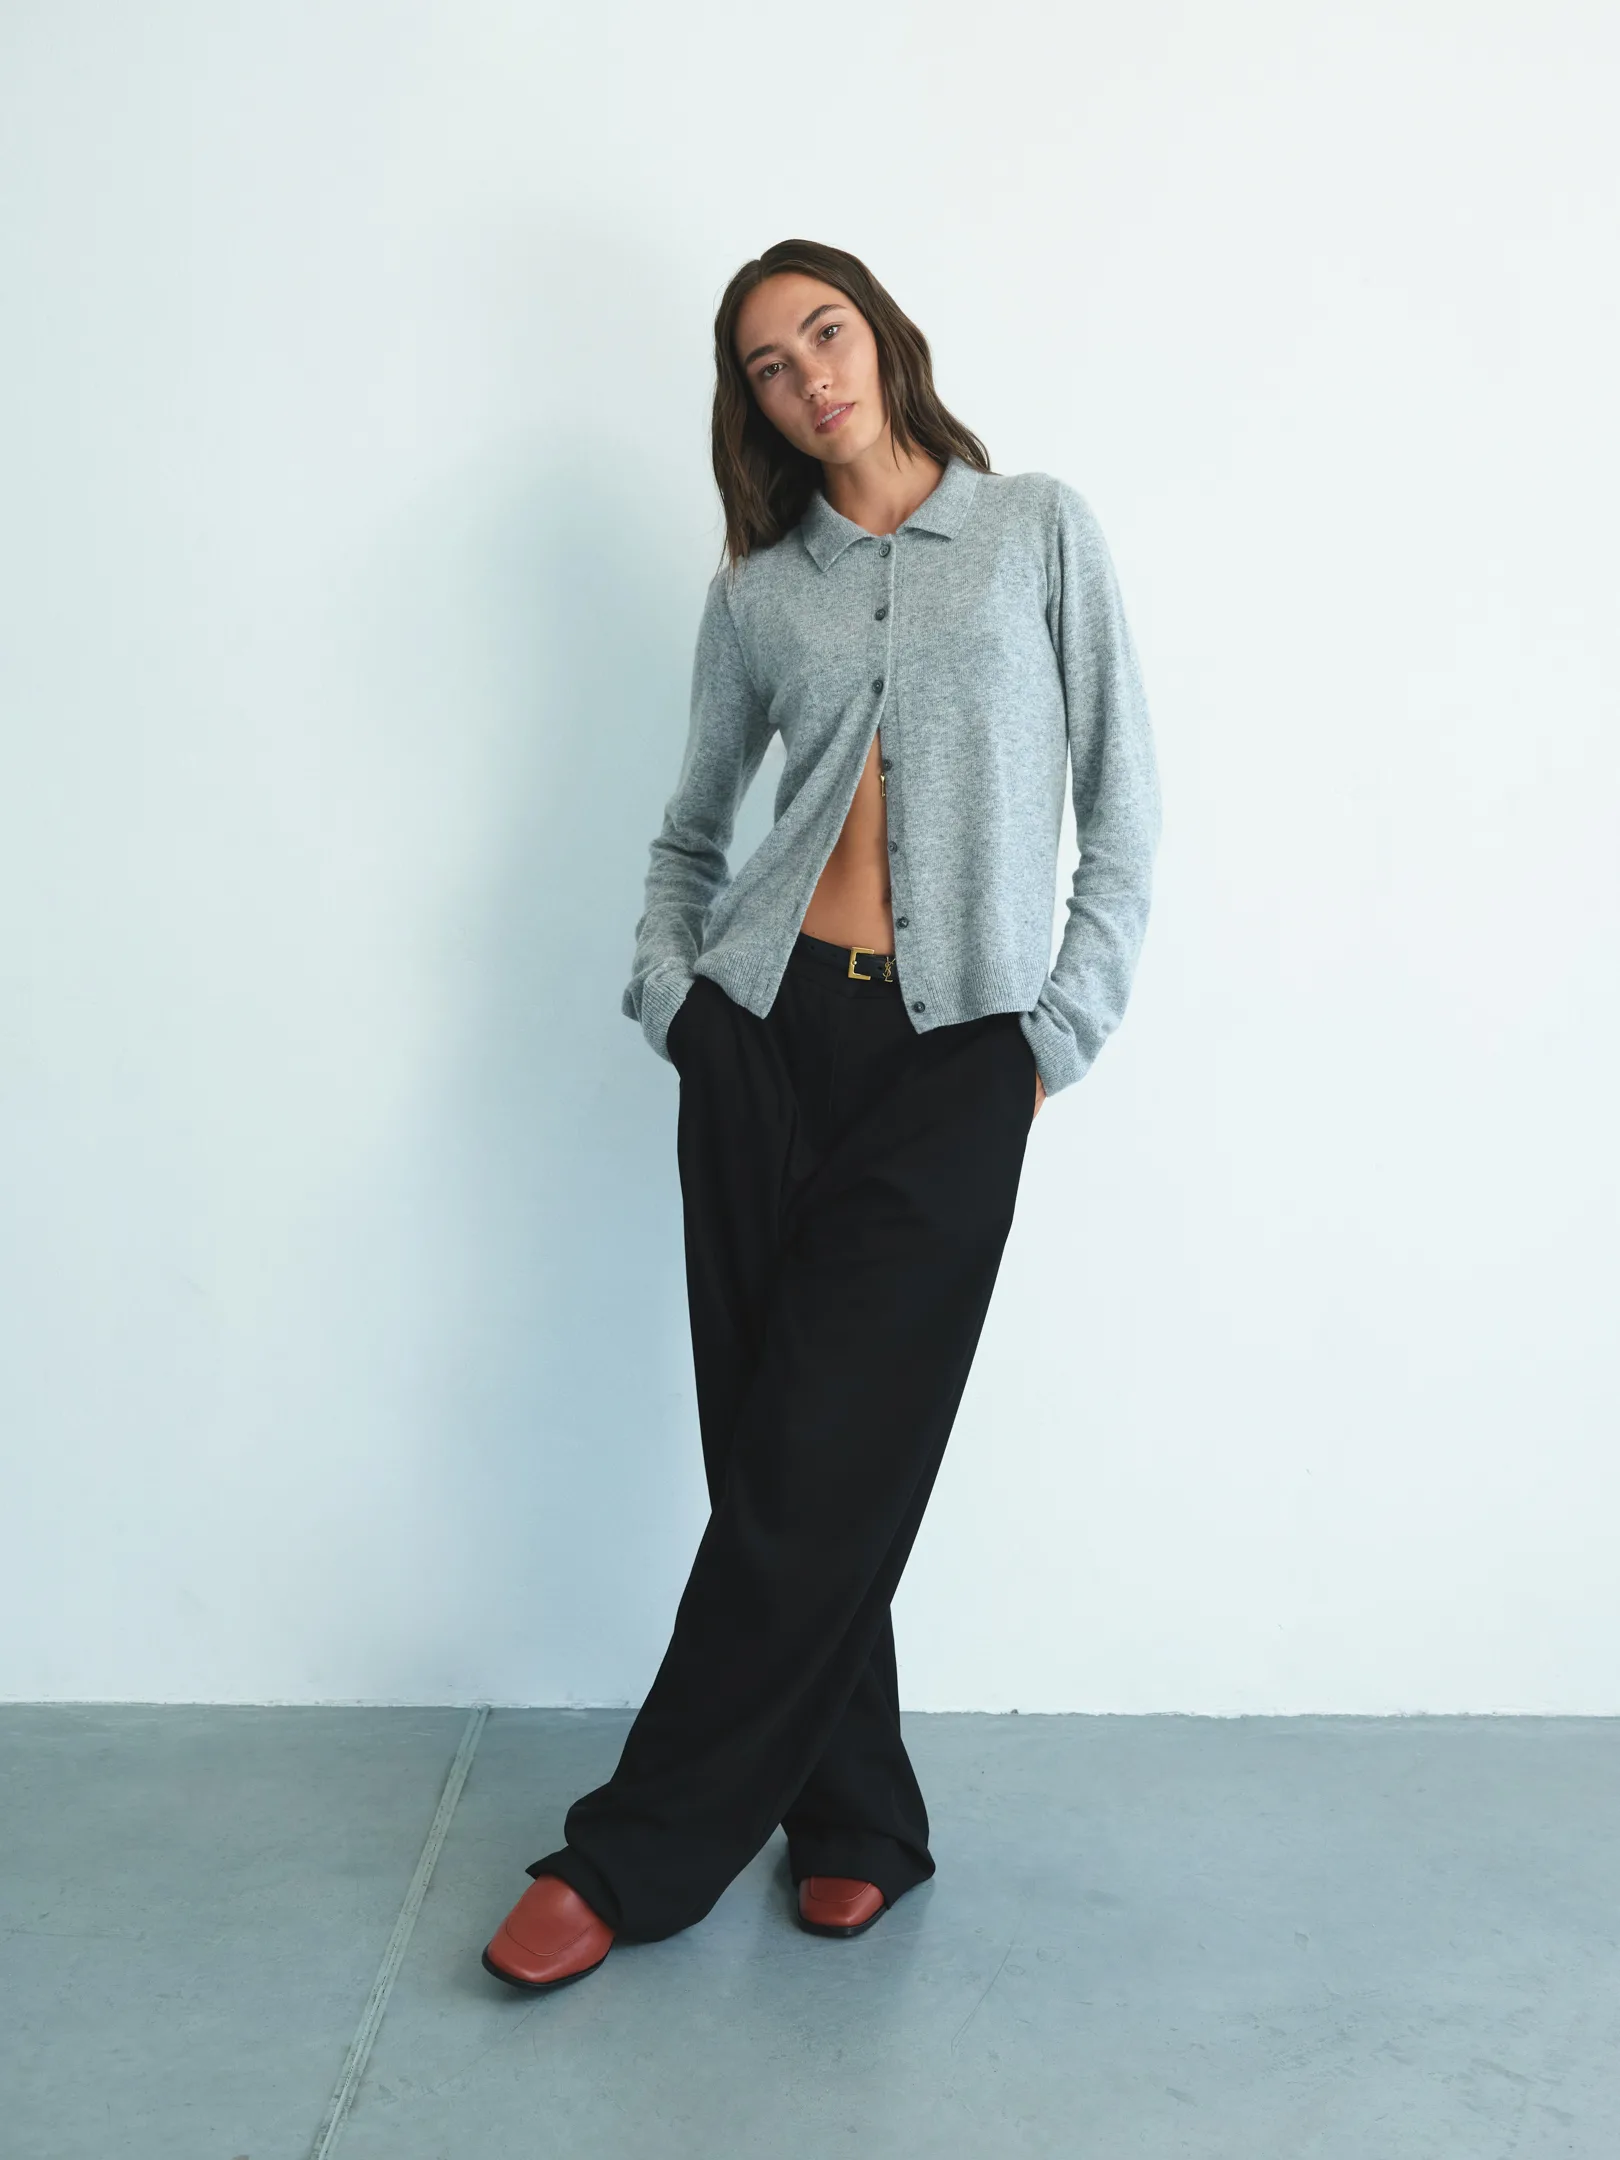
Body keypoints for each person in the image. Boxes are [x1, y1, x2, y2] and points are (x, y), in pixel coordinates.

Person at [481, 237, 1162, 1992]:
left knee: (821, 1458)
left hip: (956, 1063)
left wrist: (1050, 1041)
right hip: (763, 1043)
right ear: (754, 407)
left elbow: (1124, 814)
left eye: (824, 334)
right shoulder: (760, 594)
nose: (808, 379)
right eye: (769, 368)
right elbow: (690, 831)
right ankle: (857, 1817)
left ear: (884, 333)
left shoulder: (1037, 532)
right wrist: (677, 1004)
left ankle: (633, 1857)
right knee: (777, 1447)